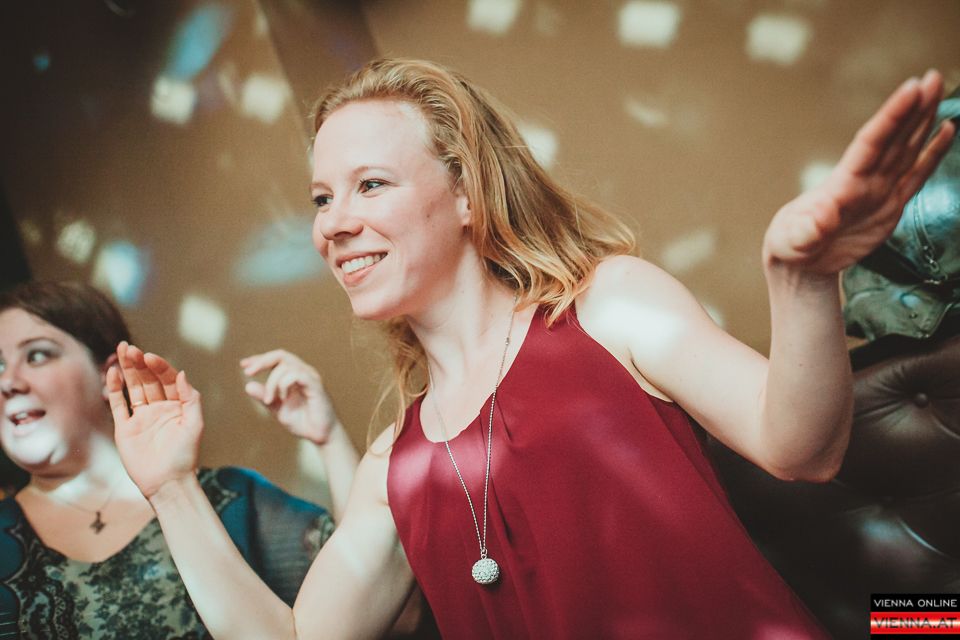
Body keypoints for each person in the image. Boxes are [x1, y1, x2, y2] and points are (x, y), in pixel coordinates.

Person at [109, 59, 955, 639]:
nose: (333, 223)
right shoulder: (394, 465)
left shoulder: (609, 305)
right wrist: (173, 487)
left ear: (467, 195)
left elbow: (802, 447)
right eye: (322, 198)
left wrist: (801, 278)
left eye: (370, 185)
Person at [0, 281, 358, 639]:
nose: (8, 382)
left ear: (110, 375)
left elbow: (373, 600)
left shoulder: (233, 499)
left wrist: (330, 440)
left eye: (37, 355)